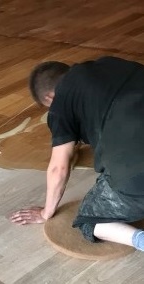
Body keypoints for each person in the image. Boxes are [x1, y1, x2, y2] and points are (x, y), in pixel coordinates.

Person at [10, 56, 144, 251]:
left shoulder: (60, 103)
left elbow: (59, 167)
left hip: (137, 174)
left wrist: (46, 212)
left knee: (88, 220)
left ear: (49, 98)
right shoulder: (113, 65)